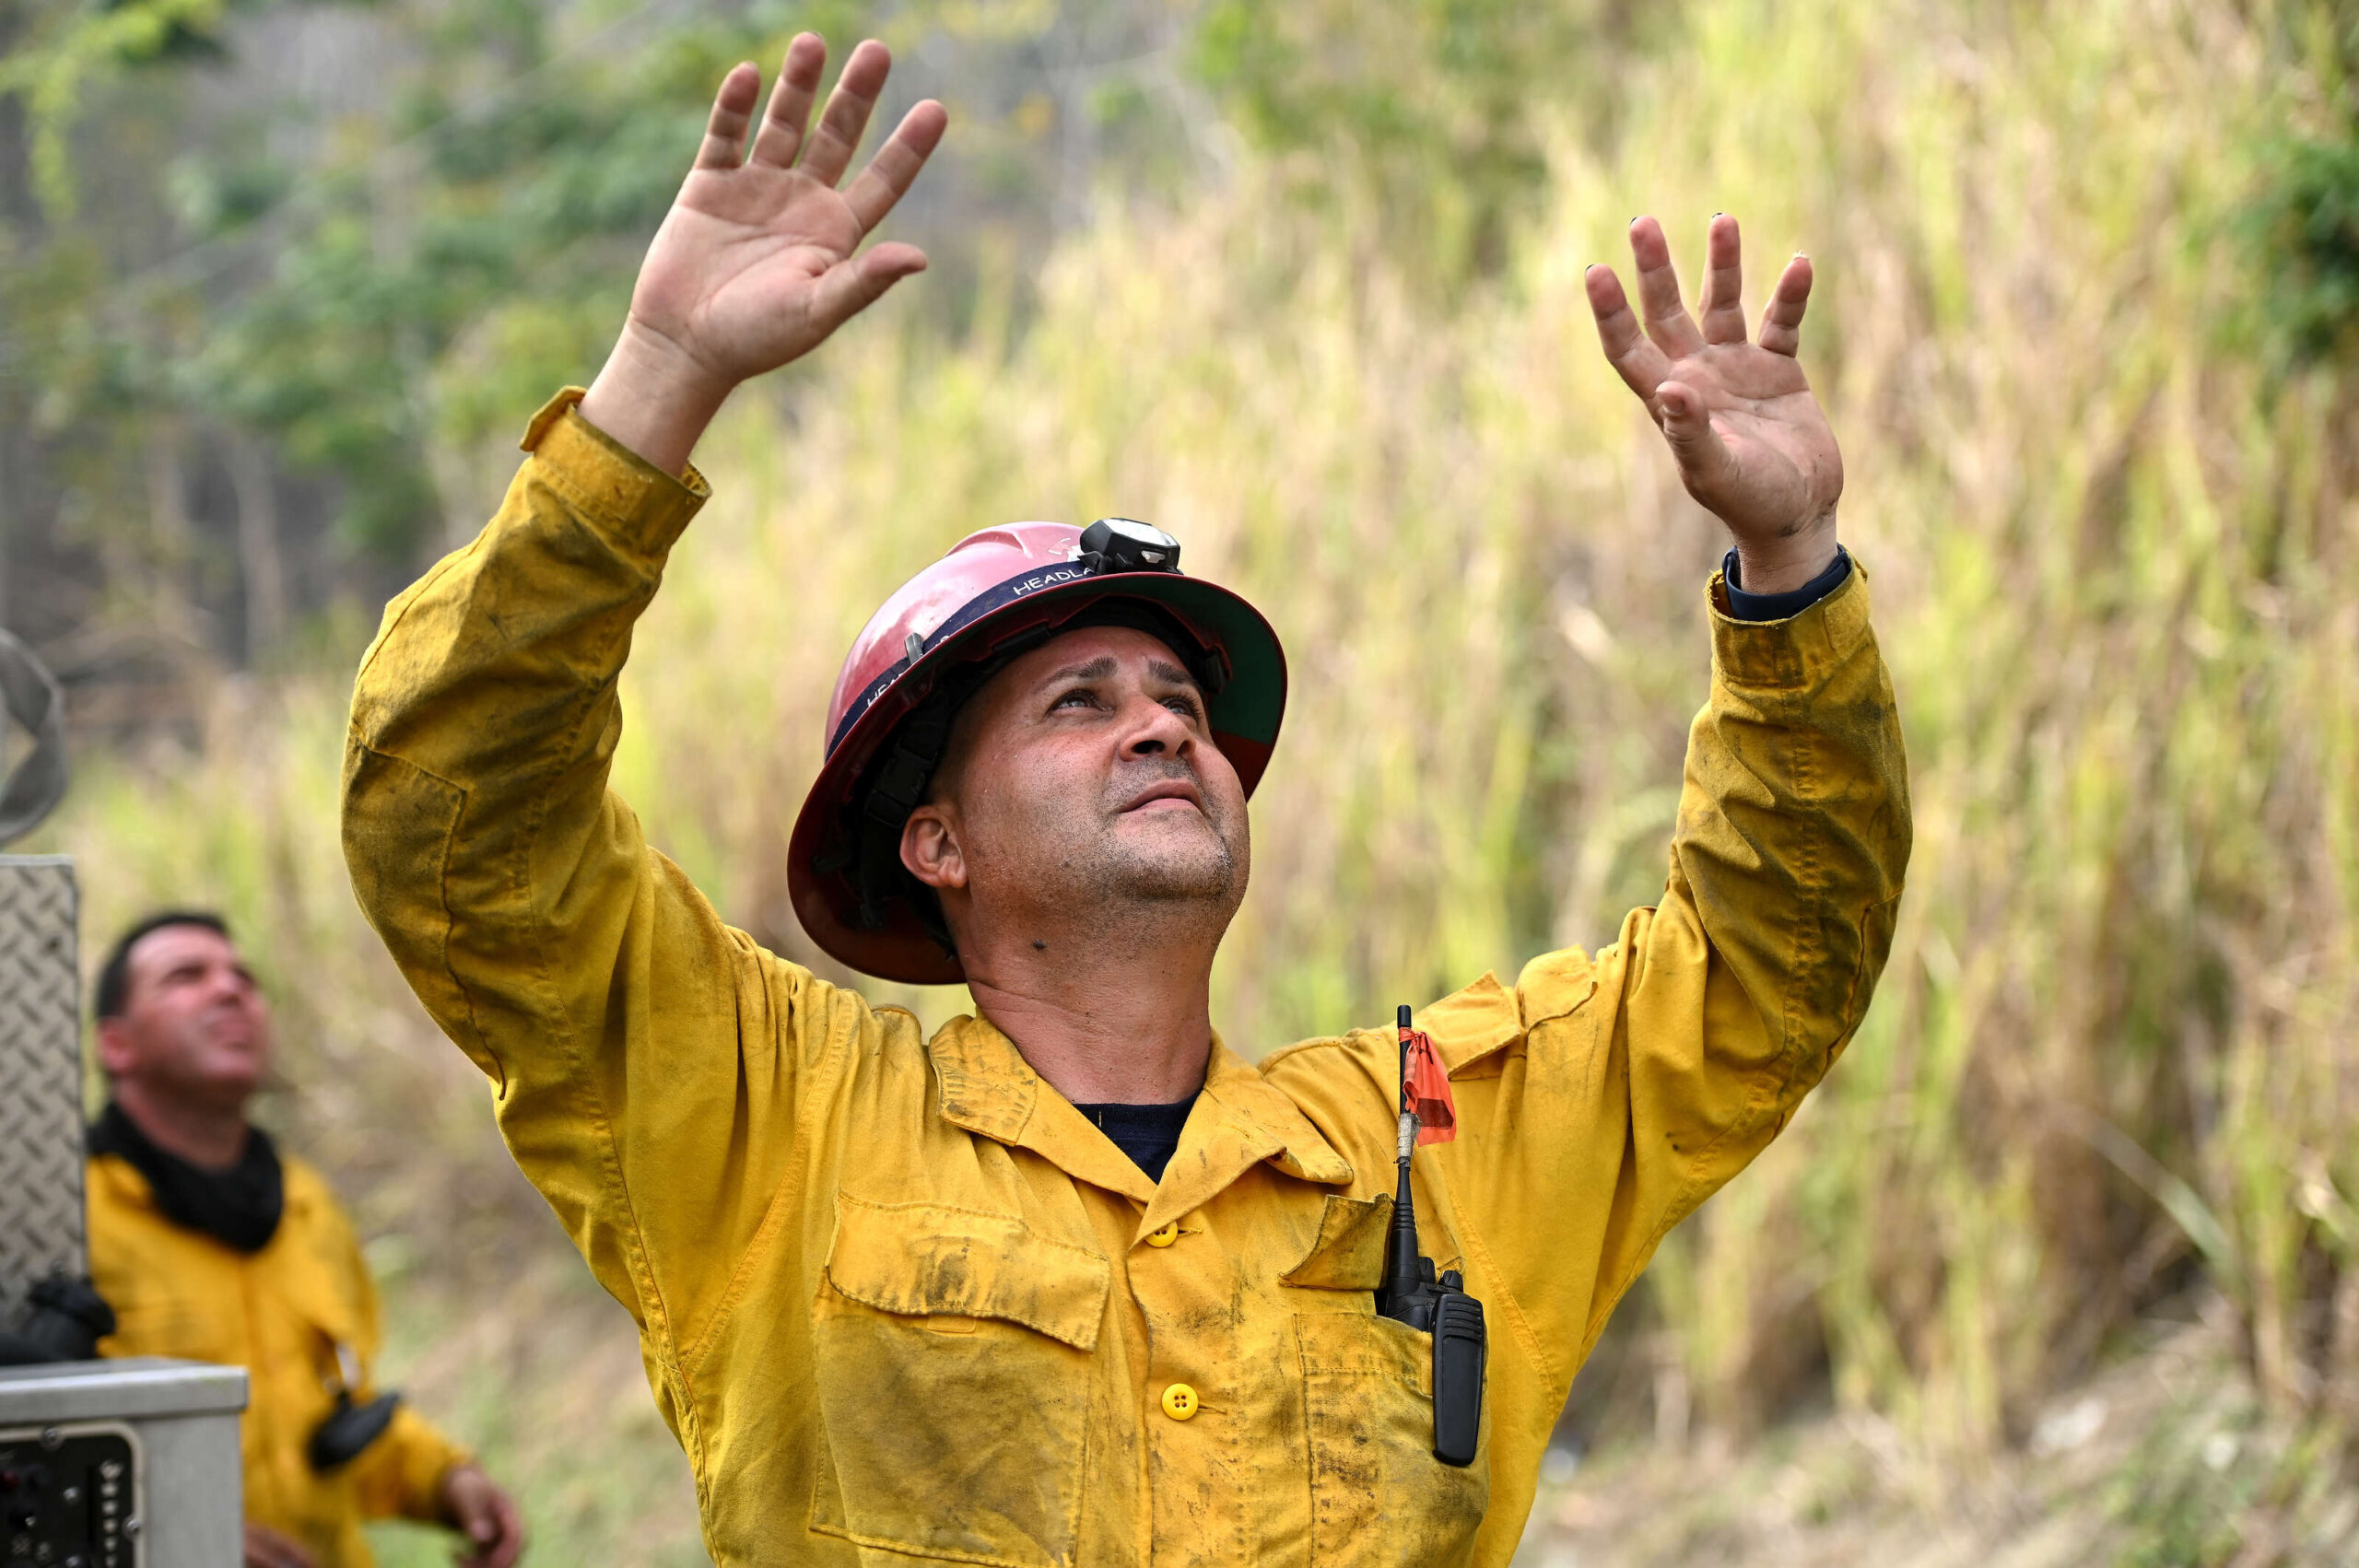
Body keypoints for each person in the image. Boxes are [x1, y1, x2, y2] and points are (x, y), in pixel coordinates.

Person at [340, 32, 1909, 1568]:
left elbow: (1767, 968)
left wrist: (1791, 564)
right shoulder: (771, 1122)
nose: (1162, 728)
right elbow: (458, 821)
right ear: (935, 842)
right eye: (1078, 704)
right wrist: (663, 376)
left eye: (1178, 704)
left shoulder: (1435, 1142)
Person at [84, 911, 526, 1568]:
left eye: (243, 977)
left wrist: (448, 1480)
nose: (230, 990)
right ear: (116, 1046)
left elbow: (341, 1416)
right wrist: (177, 1533)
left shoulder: (305, 1204)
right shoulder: (61, 1214)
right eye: (185, 976)